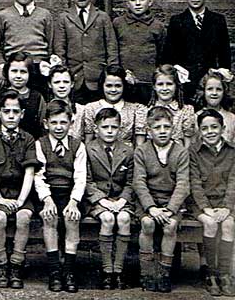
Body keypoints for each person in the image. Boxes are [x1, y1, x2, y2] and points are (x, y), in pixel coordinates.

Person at [0, 89, 39, 289]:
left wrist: (21, 201)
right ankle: (1, 265)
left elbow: (30, 173)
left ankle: (16, 264)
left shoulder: (28, 138)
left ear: (22, 114)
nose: (11, 116)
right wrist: (0, 199)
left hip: (21, 192)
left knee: (23, 217)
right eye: (7, 111)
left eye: (16, 111)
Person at [133, 106, 190, 292]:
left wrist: (170, 209)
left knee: (170, 225)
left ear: (173, 128)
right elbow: (139, 182)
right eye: (157, 128)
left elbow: (183, 184)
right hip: (148, 202)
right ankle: (147, 272)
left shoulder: (180, 152)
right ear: (149, 131)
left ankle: (164, 273)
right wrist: (150, 208)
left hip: (171, 202)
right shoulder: (141, 151)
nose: (163, 131)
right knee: (148, 224)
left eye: (167, 127)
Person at [34, 99, 87, 293]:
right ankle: (55, 270)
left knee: (72, 218)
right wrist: (47, 200)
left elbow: (81, 177)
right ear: (46, 123)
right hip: (48, 192)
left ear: (71, 123)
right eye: (54, 123)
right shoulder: (40, 144)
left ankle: (69, 270)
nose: (58, 127)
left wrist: (74, 202)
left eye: (63, 123)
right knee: (49, 218)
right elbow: (38, 176)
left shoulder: (77, 145)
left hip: (70, 192)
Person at [84, 108, 134, 290]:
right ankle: (107, 270)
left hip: (120, 199)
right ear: (96, 129)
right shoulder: (89, 149)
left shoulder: (128, 151)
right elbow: (87, 180)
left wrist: (122, 200)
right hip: (97, 200)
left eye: (114, 127)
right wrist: (101, 201)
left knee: (124, 218)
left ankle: (118, 270)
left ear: (120, 129)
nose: (110, 131)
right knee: (107, 218)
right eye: (105, 127)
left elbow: (131, 182)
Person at [53, 0, 119, 104]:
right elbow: (60, 50)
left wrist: (110, 76)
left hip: (98, 79)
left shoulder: (102, 17)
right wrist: (65, 77)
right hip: (74, 79)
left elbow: (111, 48)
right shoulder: (64, 18)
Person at [164, 0, 231, 102]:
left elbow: (224, 55)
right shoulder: (177, 21)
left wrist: (222, 75)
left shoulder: (217, 20)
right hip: (185, 84)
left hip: (210, 84)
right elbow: (168, 56)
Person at [189, 109, 235, 296]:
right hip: (201, 204)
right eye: (205, 128)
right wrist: (206, 208)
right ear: (199, 131)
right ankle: (211, 274)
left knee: (229, 225)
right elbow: (194, 182)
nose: (210, 131)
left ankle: (224, 274)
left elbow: (233, 181)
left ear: (223, 128)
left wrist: (226, 207)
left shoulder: (232, 151)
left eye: (214, 127)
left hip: (226, 203)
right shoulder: (193, 152)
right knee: (209, 224)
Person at [0, 0, 53, 95]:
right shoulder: (4, 15)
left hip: (39, 69)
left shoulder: (45, 15)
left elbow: (51, 44)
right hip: (13, 69)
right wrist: (2, 68)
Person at [114, 0, 166, 105]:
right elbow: (113, 52)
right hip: (124, 83)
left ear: (150, 1)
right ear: (127, 3)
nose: (137, 3)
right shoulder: (118, 24)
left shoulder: (158, 27)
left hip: (148, 85)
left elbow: (162, 56)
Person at [83, 65, 148, 147]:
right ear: (102, 85)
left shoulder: (136, 109)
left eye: (118, 86)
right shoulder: (91, 108)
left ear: (124, 86)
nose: (113, 90)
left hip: (126, 156)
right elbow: (88, 142)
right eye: (109, 86)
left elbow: (139, 145)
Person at [0, 51, 45, 139]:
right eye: (14, 71)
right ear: (7, 71)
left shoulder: (37, 97)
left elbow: (42, 126)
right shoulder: (0, 96)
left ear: (30, 73)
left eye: (23, 72)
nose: (18, 76)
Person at [148, 64, 196, 147]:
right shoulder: (146, 111)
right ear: (154, 86)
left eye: (169, 84)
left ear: (176, 86)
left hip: (178, 156)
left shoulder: (185, 111)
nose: (165, 88)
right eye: (160, 84)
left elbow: (188, 142)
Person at [195, 69, 235, 143]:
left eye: (219, 89)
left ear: (224, 92)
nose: (214, 93)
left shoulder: (232, 118)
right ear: (203, 92)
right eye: (210, 89)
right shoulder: (195, 117)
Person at [47, 64, 84, 139]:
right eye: (57, 82)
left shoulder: (81, 110)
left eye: (66, 82)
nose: (62, 86)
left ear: (72, 84)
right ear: (50, 84)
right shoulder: (45, 109)